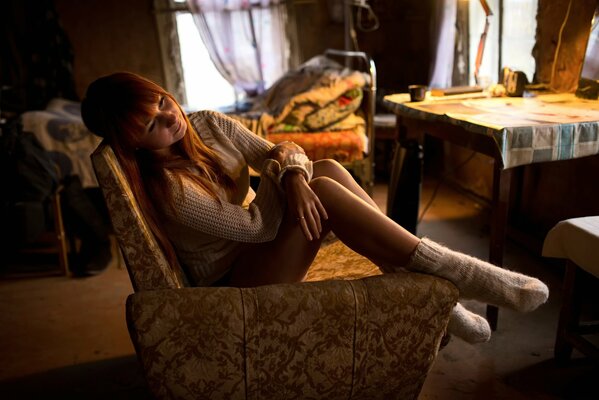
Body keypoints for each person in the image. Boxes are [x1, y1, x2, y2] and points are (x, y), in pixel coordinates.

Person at [81, 72, 549, 344]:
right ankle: (455, 273)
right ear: (133, 143)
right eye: (151, 125)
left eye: (163, 101)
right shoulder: (170, 189)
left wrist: (291, 172)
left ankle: (436, 292)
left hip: (254, 247)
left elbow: (281, 149)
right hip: (232, 279)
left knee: (322, 167)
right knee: (317, 183)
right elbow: (260, 226)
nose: (170, 117)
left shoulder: (206, 123)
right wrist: (290, 174)